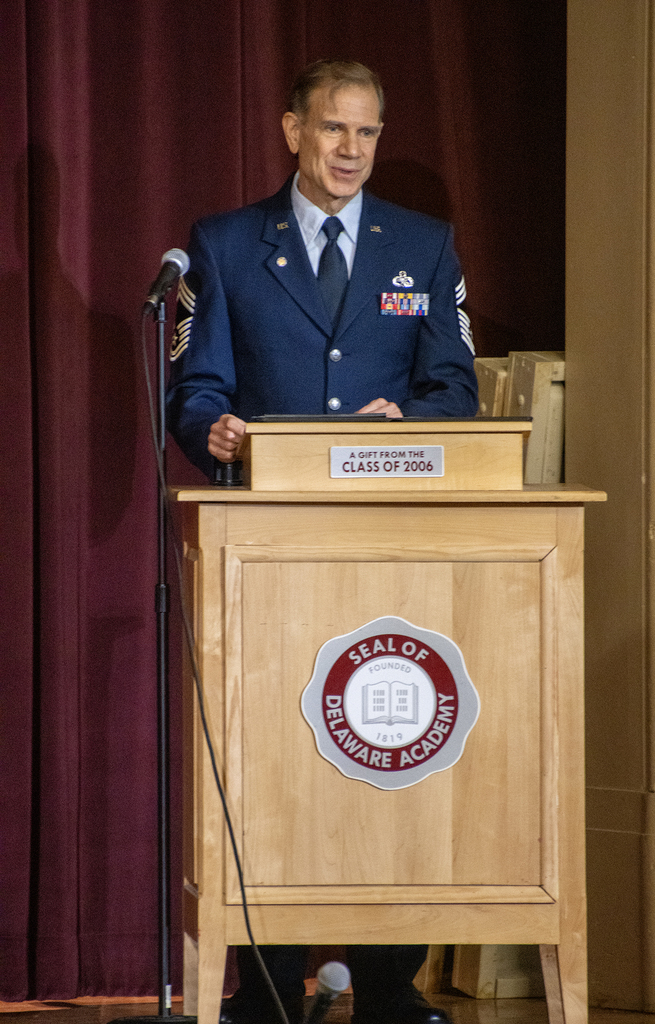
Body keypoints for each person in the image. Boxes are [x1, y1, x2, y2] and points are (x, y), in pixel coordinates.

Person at [167, 60, 478, 1024]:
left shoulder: (422, 248)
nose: (351, 151)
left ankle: (390, 984)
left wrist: (407, 420)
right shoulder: (222, 244)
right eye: (333, 130)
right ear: (292, 130)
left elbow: (453, 390)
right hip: (269, 543)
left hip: (387, 542)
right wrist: (211, 429)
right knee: (282, 756)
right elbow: (197, 389)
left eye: (368, 134)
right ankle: (269, 981)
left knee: (388, 741)